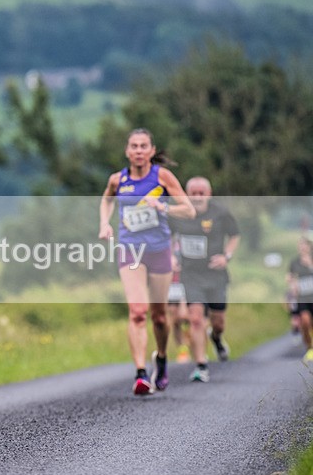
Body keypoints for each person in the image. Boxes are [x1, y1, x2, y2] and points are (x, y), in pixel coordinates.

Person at [99, 128, 195, 395]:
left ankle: (161, 358)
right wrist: (105, 223)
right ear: (127, 151)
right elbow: (106, 200)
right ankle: (140, 374)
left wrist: (163, 207)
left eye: (143, 146)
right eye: (134, 146)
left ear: (152, 151)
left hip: (159, 250)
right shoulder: (118, 179)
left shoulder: (162, 176)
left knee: (160, 317)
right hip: (130, 249)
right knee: (138, 311)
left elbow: (188, 210)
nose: (139, 151)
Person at [168, 177, 240, 383]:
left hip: (215, 274)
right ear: (186, 193)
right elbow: (168, 237)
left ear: (209, 194)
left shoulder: (221, 213)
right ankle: (201, 365)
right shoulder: (178, 213)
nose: (197, 197)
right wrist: (171, 257)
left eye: (201, 193)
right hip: (191, 274)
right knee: (196, 318)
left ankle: (216, 337)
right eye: (193, 193)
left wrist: (226, 256)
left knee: (218, 322)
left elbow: (235, 235)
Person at [287, 236, 313, 364]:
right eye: (300, 245)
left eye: (304, 245)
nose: (302, 248)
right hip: (303, 298)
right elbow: (290, 277)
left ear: (309, 247)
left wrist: (310, 265)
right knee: (305, 321)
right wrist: (292, 284)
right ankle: (309, 348)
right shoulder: (294, 262)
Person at [167, 241, 191, 363]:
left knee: (185, 316)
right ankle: (183, 350)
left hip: (186, 282)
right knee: (175, 319)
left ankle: (194, 344)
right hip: (171, 284)